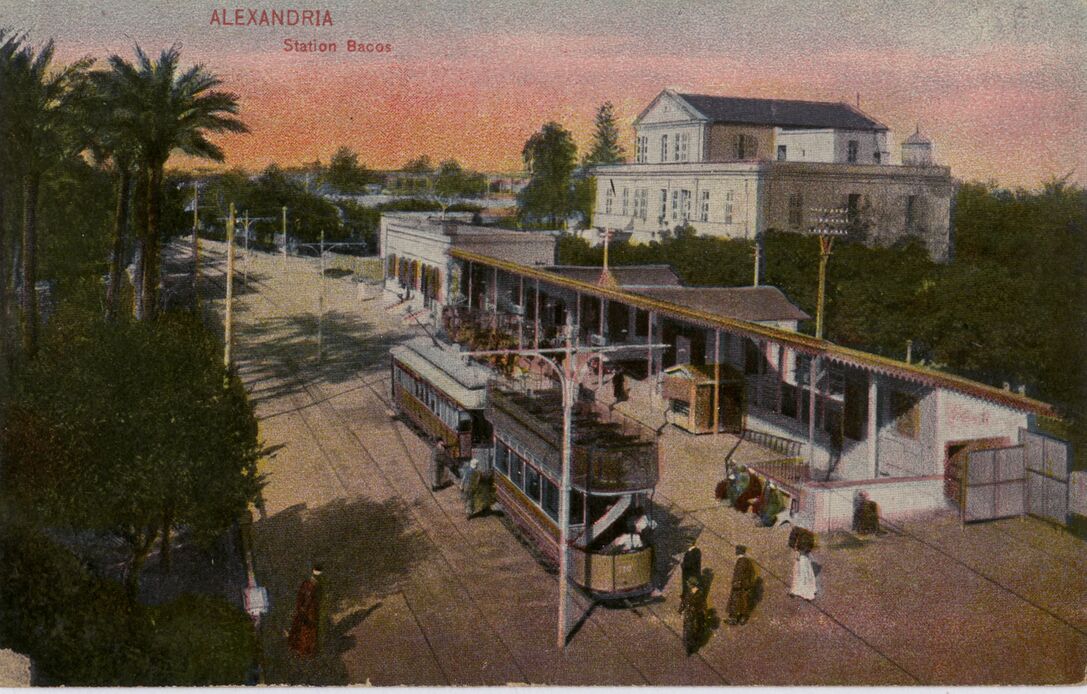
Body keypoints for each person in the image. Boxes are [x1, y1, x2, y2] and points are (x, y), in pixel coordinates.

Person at [287, 564, 325, 657]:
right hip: (309, 611)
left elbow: (301, 596)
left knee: (301, 628)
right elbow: (309, 598)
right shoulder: (315, 585)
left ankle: (299, 647)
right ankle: (304, 648)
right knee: (307, 630)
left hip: (305, 610)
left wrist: (300, 607)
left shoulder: (306, 584)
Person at [726, 545, 757, 625]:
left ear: (738, 551)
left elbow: (738, 574)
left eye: (736, 550)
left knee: (736, 601)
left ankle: (733, 619)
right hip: (744, 585)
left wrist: (736, 583)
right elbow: (751, 574)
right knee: (743, 601)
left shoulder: (741, 561)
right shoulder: (747, 561)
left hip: (739, 585)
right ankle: (742, 618)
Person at [680, 575, 707, 655]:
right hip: (692, 614)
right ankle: (690, 645)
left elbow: (685, 602)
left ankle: (689, 647)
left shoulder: (692, 593)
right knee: (691, 630)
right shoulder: (697, 591)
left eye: (689, 583)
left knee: (689, 631)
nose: (688, 584)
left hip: (692, 615)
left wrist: (681, 610)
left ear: (692, 585)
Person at [680, 539, 702, 607]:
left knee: (689, 590)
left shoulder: (691, 552)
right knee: (691, 590)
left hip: (690, 575)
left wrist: (683, 565)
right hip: (693, 574)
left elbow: (689, 564)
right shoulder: (697, 551)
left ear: (689, 544)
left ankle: (686, 606)